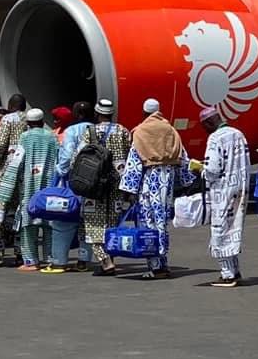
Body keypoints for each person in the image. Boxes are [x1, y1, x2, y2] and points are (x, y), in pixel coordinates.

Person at [68, 99, 132, 274]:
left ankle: (105, 261)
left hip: (94, 184)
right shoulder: (123, 131)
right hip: (117, 183)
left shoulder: (91, 131)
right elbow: (130, 155)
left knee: (93, 222)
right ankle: (111, 257)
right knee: (113, 222)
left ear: (97, 114)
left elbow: (78, 156)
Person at [121, 99, 183, 279]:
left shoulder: (140, 132)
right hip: (167, 182)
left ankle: (155, 267)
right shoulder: (170, 130)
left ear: (144, 112)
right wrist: (186, 181)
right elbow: (182, 156)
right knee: (162, 222)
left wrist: (128, 189)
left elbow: (134, 162)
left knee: (148, 222)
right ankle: (164, 263)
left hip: (149, 182)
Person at [0, 106, 62, 271]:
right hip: (49, 188)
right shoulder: (52, 137)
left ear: (28, 123)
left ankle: (31, 261)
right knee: (49, 225)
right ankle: (49, 258)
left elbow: (17, 162)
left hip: (29, 187)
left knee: (27, 225)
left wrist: (5, 189)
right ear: (41, 121)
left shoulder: (24, 137)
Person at [199, 104, 249, 287]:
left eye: (204, 125)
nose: (204, 130)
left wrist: (200, 170)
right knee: (233, 230)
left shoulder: (215, 138)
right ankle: (234, 270)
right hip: (240, 188)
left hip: (223, 190)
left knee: (220, 232)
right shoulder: (238, 134)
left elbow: (212, 169)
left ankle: (227, 274)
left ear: (210, 121)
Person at [0, 91, 28, 266]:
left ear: (10, 106)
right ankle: (20, 253)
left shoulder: (8, 120)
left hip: (5, 174)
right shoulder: (30, 120)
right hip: (23, 175)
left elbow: (0, 145)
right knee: (18, 213)